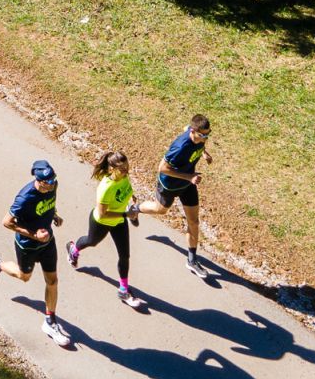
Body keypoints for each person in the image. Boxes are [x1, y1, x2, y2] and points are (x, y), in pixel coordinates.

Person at [0, 159, 71, 347]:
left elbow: (50, 201)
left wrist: (54, 215)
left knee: (53, 281)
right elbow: (6, 222)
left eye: (53, 180)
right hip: (27, 246)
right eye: (47, 182)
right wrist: (34, 234)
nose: (51, 184)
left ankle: (50, 321)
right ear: (39, 181)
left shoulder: (53, 186)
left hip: (47, 242)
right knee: (24, 276)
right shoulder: (25, 197)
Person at [137, 113, 214, 276]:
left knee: (193, 221)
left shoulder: (198, 136)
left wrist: (204, 153)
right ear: (194, 131)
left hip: (188, 184)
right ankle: (136, 209)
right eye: (202, 135)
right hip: (169, 184)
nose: (205, 138)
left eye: (208, 134)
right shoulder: (180, 147)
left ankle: (192, 260)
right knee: (161, 210)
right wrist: (189, 176)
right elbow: (162, 168)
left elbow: (188, 130)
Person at [66, 150, 143, 307]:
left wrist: (131, 199)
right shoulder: (105, 188)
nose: (126, 172)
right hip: (101, 222)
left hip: (120, 221)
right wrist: (126, 215)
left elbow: (126, 188)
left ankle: (123, 289)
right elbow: (103, 214)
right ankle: (73, 249)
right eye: (122, 170)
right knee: (91, 241)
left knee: (124, 255)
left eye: (127, 168)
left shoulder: (124, 176)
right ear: (111, 169)